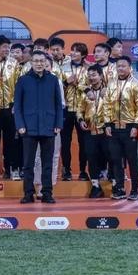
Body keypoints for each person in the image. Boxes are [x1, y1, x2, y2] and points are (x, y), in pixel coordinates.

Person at [14, 50, 64, 204]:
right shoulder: (23, 80)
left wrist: (58, 124)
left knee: (47, 163)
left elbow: (58, 104)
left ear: (46, 62)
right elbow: (17, 105)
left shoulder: (53, 80)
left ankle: (47, 193)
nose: (39, 64)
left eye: (42, 61)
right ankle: (28, 193)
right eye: (36, 61)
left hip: (49, 127)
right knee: (28, 164)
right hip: (28, 128)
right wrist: (20, 125)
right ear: (31, 63)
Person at [103, 56, 138, 200]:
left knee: (132, 160)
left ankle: (134, 190)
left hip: (129, 128)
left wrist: (136, 125)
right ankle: (119, 188)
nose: (120, 68)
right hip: (114, 128)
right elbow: (106, 104)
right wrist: (107, 124)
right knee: (116, 159)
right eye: (118, 66)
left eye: (123, 66)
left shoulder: (136, 84)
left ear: (129, 67)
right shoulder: (111, 83)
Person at [0, 35, 21, 180]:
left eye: (8, 47)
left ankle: (12, 169)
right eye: (4, 47)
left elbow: (19, 85)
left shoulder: (14, 63)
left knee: (12, 141)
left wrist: (16, 104)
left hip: (10, 108)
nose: (7, 50)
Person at [76, 65, 108, 198]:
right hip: (89, 131)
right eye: (89, 76)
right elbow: (79, 109)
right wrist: (80, 120)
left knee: (108, 155)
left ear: (101, 76)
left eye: (94, 75)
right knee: (91, 156)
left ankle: (113, 181)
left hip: (105, 131)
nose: (91, 78)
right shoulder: (85, 94)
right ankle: (95, 185)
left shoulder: (108, 92)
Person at [61, 42, 89, 181]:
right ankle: (66, 170)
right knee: (65, 142)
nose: (72, 53)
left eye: (76, 51)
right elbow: (57, 88)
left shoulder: (89, 69)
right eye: (72, 50)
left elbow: (91, 88)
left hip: (82, 111)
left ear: (83, 55)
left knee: (84, 142)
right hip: (66, 110)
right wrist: (67, 82)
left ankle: (83, 171)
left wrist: (79, 84)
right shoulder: (63, 67)